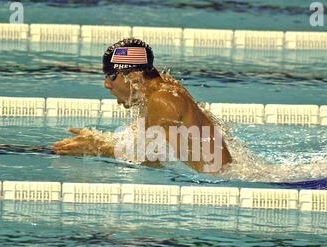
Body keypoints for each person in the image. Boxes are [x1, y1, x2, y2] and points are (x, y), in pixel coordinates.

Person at [51, 38, 232, 173]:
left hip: (218, 183)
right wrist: (104, 140)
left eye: (111, 76)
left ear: (135, 78)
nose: (106, 84)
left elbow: (158, 159)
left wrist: (98, 148)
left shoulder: (163, 99)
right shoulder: (161, 88)